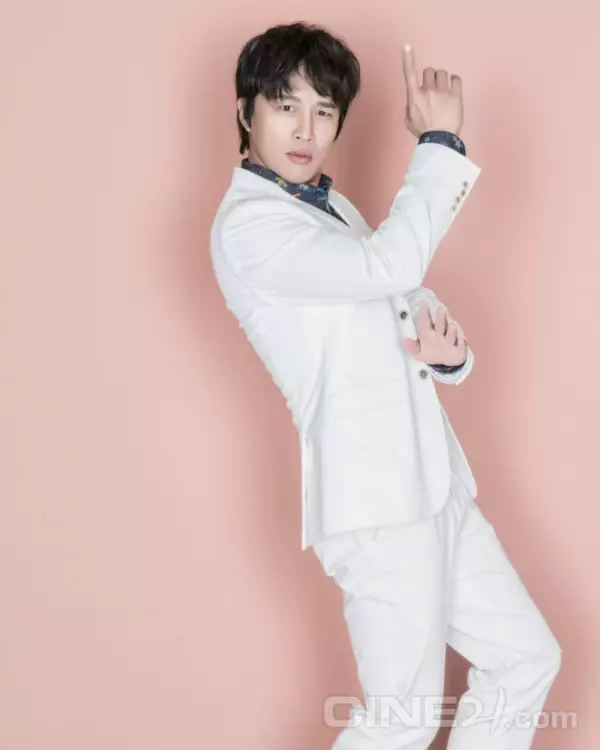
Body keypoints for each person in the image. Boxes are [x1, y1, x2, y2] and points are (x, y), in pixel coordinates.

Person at [210, 21, 562, 749]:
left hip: (432, 482)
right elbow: (386, 267)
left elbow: (394, 293)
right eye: (285, 105)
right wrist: (438, 144)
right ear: (245, 110)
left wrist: (449, 357)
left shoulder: (327, 205)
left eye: (324, 110)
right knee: (402, 716)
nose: (306, 130)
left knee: (526, 658)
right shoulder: (248, 227)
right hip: (375, 500)